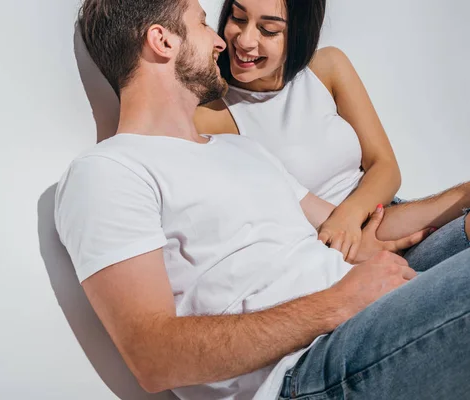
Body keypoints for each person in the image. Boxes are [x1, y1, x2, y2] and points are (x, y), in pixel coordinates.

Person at [55, 0, 470, 399]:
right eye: (203, 24)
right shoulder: (108, 170)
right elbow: (153, 358)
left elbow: (359, 234)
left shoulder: (243, 151)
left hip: (363, 310)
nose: (221, 42)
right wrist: (339, 302)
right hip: (304, 370)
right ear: (163, 41)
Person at [195, 0, 470, 266]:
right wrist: (343, 234)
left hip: (382, 215)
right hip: (334, 254)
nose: (244, 40)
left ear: (300, 34)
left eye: (269, 30)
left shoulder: (327, 67)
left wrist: (348, 218)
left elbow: (384, 166)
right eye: (238, 18)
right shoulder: (213, 117)